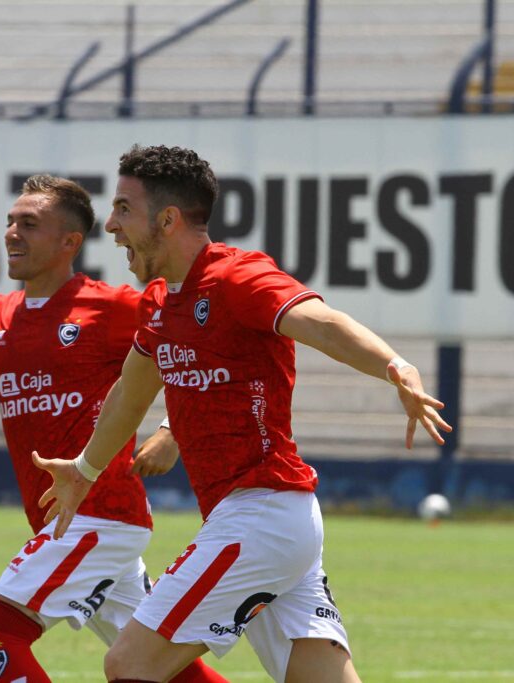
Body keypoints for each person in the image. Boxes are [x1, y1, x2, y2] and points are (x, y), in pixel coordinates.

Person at [33, 145, 452, 683]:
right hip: (274, 523)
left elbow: (322, 323)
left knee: (130, 662)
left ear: (168, 219)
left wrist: (395, 365)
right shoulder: (160, 301)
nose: (110, 225)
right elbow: (129, 396)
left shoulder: (236, 276)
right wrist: (85, 469)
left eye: (123, 209)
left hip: (261, 516)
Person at [0, 175, 226, 683]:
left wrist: (172, 430)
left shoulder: (111, 306)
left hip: (98, 515)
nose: (12, 233)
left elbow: (194, 350)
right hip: (66, 520)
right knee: (168, 672)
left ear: (69, 242)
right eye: (10, 222)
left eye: (29, 224)